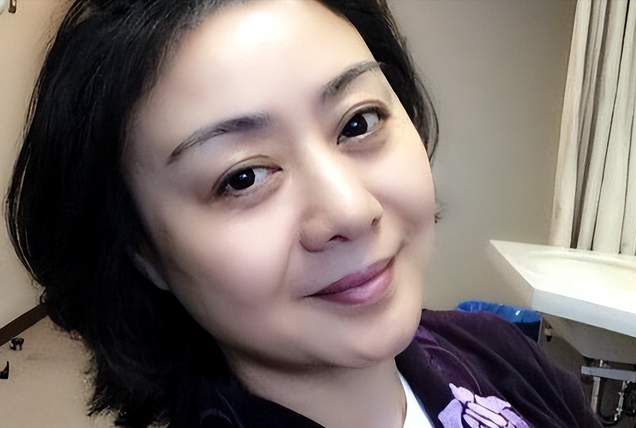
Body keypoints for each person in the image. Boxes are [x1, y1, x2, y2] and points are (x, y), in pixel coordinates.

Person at [5, 1, 602, 427]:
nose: (351, 209)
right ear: (143, 252)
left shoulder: (497, 352)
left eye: (359, 122)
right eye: (242, 178)